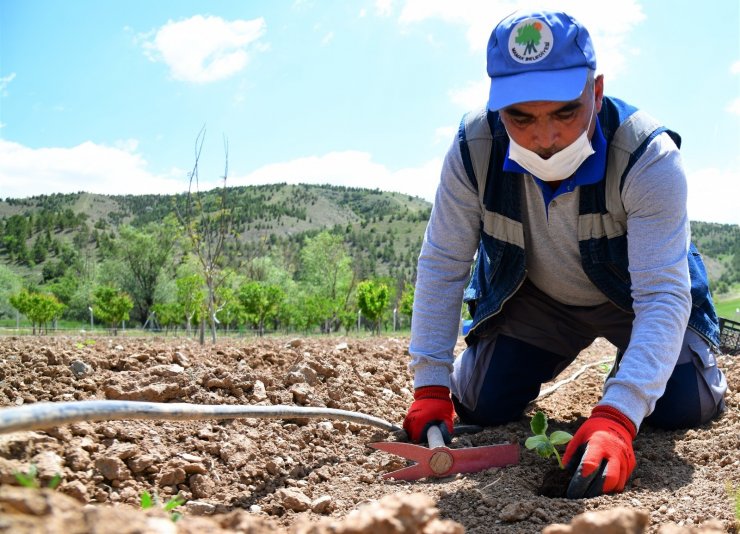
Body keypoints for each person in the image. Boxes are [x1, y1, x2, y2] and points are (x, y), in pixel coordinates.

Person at [403, 9, 727, 499]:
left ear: (595, 93)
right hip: (540, 302)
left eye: (565, 112)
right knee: (481, 403)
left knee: (681, 405)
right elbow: (443, 263)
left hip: (636, 302)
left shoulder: (648, 156)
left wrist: (618, 414)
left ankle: (661, 366)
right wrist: (430, 382)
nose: (545, 139)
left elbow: (662, 294)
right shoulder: (474, 149)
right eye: (521, 118)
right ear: (497, 108)